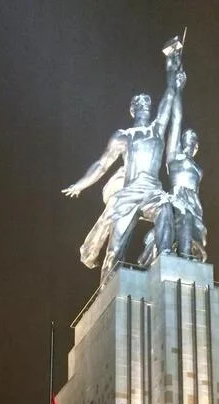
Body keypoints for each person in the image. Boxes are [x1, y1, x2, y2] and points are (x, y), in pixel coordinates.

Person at [63, 44, 185, 283]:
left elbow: (170, 95)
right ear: (132, 110)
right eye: (139, 104)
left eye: (146, 105)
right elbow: (101, 164)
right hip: (128, 193)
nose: (144, 107)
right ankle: (107, 286)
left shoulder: (156, 130)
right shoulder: (123, 136)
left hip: (152, 191)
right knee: (114, 251)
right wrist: (81, 185)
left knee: (165, 210)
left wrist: (174, 60)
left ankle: (165, 258)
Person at [138, 72, 207, 265]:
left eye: (195, 141)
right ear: (183, 141)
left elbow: (197, 192)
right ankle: (176, 262)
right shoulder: (174, 158)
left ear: (197, 146)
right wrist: (178, 89)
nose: (191, 143)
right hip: (178, 198)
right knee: (181, 222)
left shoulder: (198, 169)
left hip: (195, 204)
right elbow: (176, 118)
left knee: (190, 232)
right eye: (188, 139)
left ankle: (186, 265)